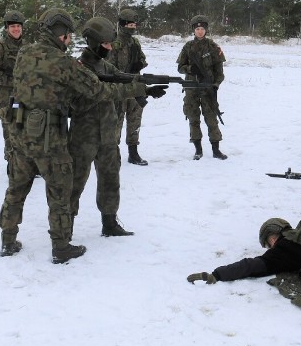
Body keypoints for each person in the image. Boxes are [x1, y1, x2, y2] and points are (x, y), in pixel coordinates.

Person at [0, 9, 153, 263]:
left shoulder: (24, 52)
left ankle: (7, 239)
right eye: (68, 35)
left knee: (16, 188)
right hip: (49, 135)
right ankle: (61, 247)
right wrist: (137, 89)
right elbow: (97, 90)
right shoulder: (64, 63)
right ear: (61, 34)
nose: (70, 40)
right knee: (60, 191)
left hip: (19, 129)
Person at [68, 17, 166, 238]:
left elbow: (123, 78)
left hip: (109, 133)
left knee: (110, 178)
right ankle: (65, 227)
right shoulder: (78, 67)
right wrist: (140, 90)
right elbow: (104, 91)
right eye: (106, 45)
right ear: (93, 42)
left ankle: (110, 222)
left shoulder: (104, 65)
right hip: (84, 134)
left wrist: (147, 86)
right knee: (74, 182)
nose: (110, 48)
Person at [176, 15, 227, 160]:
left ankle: (216, 150)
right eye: (197, 29)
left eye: (202, 29)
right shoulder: (188, 47)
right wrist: (191, 69)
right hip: (191, 89)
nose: (199, 31)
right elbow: (180, 67)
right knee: (193, 118)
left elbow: (220, 73)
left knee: (211, 119)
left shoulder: (213, 47)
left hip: (208, 89)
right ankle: (198, 150)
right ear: (193, 30)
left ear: (206, 30)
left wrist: (215, 85)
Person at [107, 8, 150, 165]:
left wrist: (139, 65)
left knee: (135, 120)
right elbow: (109, 66)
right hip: (119, 88)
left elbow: (143, 59)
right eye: (130, 24)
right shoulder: (114, 43)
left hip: (135, 87)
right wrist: (124, 73)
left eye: (134, 25)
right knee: (116, 122)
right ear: (123, 24)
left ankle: (133, 153)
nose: (132, 27)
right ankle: (112, 154)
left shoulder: (135, 43)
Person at [0, 9, 26, 160]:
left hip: (26, 96)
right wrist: (13, 82)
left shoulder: (28, 47)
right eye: (12, 26)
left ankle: (26, 164)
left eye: (18, 26)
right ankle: (12, 163)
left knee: (26, 129)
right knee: (10, 129)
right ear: (7, 28)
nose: (16, 29)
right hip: (6, 97)